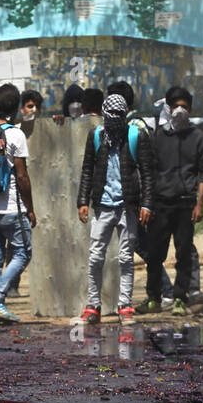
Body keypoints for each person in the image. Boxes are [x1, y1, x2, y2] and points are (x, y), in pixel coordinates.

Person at [77, 93, 154, 324]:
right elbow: (87, 169)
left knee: (126, 258)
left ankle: (125, 306)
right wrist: (82, 201)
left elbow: (148, 173)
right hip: (103, 205)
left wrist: (147, 204)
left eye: (119, 115)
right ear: (103, 112)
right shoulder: (96, 136)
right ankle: (93, 306)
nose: (114, 119)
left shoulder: (135, 135)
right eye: (110, 114)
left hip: (127, 205)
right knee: (95, 257)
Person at [145, 87, 203, 314]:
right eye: (176, 106)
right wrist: (148, 203)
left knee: (183, 252)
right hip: (161, 204)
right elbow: (150, 172)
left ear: (190, 109)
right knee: (155, 253)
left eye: (184, 106)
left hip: (186, 204)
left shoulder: (198, 138)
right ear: (168, 108)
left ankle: (180, 297)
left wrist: (199, 204)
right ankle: (153, 297)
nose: (180, 110)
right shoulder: (158, 137)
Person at [0, 84, 36, 323]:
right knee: (23, 253)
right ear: (16, 106)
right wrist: (31, 208)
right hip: (14, 208)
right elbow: (22, 176)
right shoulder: (16, 134)